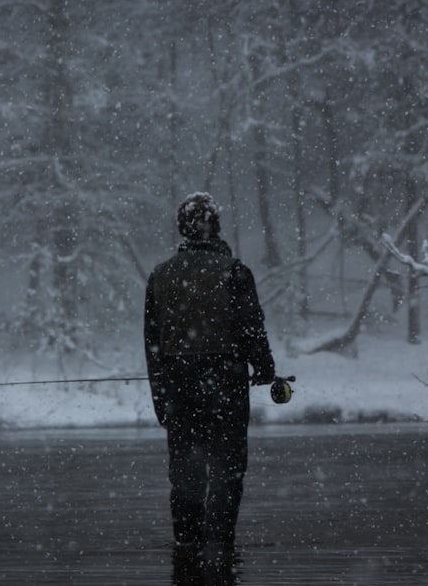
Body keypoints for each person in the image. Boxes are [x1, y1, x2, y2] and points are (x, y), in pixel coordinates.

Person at [144, 192, 276, 572]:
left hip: (178, 388)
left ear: (182, 229)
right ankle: (219, 548)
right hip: (226, 385)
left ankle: (186, 547)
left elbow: (152, 345)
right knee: (227, 469)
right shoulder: (234, 272)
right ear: (214, 226)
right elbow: (252, 327)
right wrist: (264, 368)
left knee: (185, 472)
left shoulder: (160, 275)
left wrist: (160, 400)